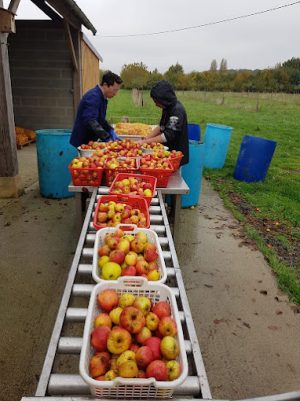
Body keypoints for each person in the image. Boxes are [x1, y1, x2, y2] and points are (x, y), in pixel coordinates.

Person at [139, 80, 189, 166]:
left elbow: (167, 136)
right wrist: (147, 138)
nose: (155, 104)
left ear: (164, 99)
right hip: (167, 153)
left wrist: (146, 142)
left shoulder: (177, 111)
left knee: (173, 176)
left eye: (156, 101)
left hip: (175, 154)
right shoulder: (167, 107)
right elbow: (161, 126)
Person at [70, 71, 123, 148]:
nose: (115, 93)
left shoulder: (102, 97)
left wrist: (109, 130)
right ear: (105, 85)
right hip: (82, 142)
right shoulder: (93, 96)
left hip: (90, 141)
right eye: (114, 90)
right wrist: (106, 137)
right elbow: (90, 121)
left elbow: (100, 119)